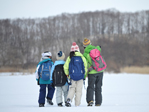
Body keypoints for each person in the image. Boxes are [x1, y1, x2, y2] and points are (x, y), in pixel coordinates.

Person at [64, 42, 88, 107]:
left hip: (72, 76)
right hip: (80, 76)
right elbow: (85, 67)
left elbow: (65, 67)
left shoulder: (70, 57)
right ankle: (77, 104)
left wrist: (67, 74)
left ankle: (69, 99)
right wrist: (84, 75)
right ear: (78, 50)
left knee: (72, 88)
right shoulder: (82, 57)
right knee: (79, 90)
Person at [83, 38, 104, 106]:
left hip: (92, 72)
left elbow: (85, 65)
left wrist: (85, 75)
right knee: (98, 87)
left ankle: (90, 101)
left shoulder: (85, 54)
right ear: (90, 43)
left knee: (91, 87)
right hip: (100, 71)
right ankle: (98, 102)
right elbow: (99, 47)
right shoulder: (96, 49)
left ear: (84, 46)